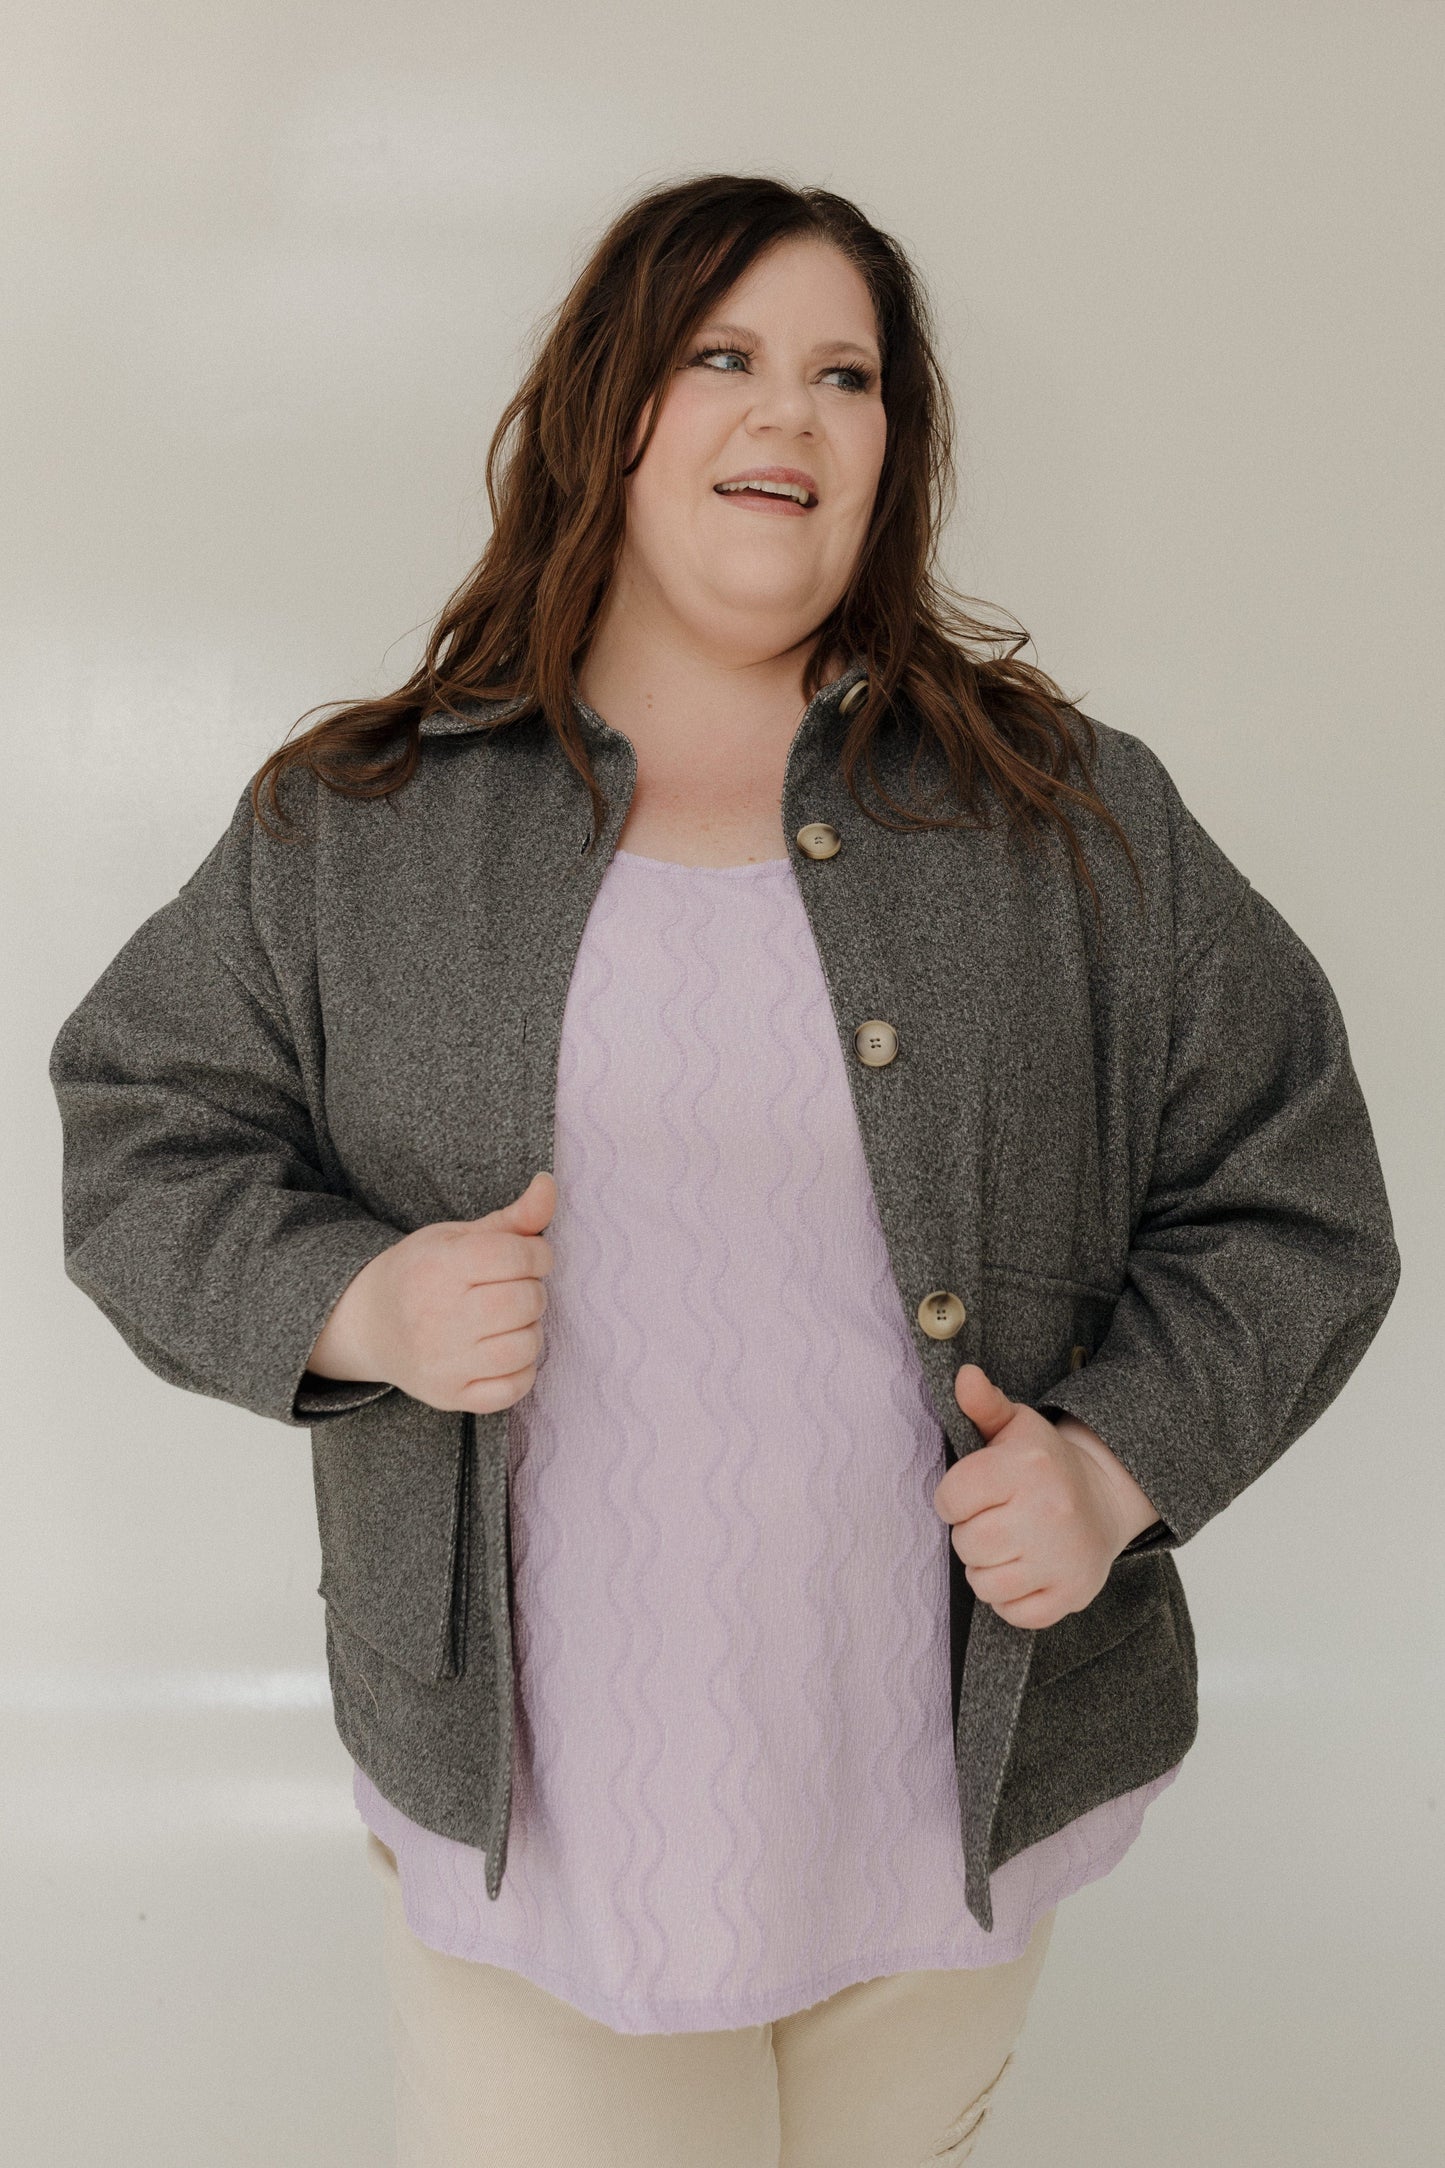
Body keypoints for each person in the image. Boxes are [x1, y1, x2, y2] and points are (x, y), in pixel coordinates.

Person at [49, 174, 1400, 2168]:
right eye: (726, 356)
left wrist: (1115, 1468)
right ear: (610, 411)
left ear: (892, 455)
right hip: (539, 1812)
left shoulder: (1070, 819)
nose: (792, 411)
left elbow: (1295, 1192)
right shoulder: (364, 821)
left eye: (847, 376)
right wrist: (360, 1303)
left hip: (940, 1790)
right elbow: (137, 1124)